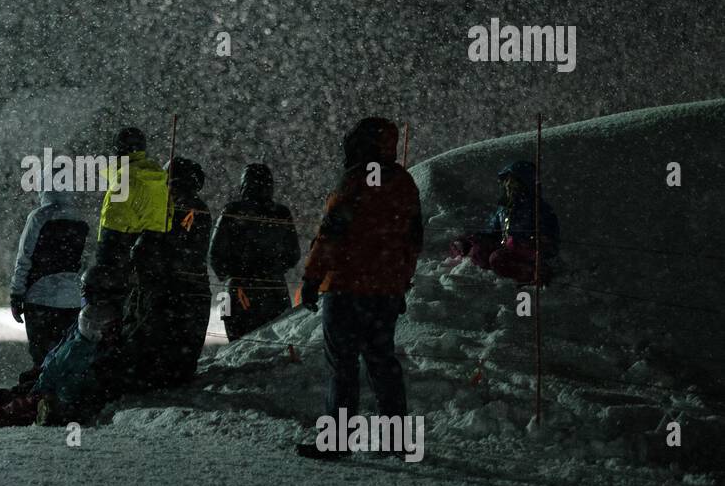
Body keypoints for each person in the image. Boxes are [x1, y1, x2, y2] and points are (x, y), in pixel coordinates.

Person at [298, 117, 422, 454]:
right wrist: (399, 284)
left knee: (343, 365)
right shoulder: (405, 183)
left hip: (346, 288)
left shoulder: (354, 181)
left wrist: (311, 278)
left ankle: (336, 442)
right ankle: (397, 440)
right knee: (382, 363)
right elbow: (413, 243)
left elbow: (331, 235)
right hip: (384, 293)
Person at [0, 266, 129, 428]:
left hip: (65, 386)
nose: (83, 295)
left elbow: (80, 364)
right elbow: (62, 352)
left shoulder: (102, 322)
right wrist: (43, 368)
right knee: (19, 393)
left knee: (27, 402)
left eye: (85, 291)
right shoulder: (86, 317)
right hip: (55, 378)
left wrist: (54, 379)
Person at [123, 157, 213, 387]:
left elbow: (168, 243)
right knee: (181, 348)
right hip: (190, 287)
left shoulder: (181, 208)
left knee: (161, 342)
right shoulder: (190, 207)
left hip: (171, 287)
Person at [208, 163, 301, 340]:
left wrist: (233, 273)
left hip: (236, 289)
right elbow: (293, 254)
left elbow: (215, 254)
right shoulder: (281, 213)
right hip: (274, 289)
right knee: (277, 344)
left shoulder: (232, 210)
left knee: (237, 345)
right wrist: (272, 269)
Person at [9, 188, 88, 372]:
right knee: (64, 358)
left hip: (40, 298)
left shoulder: (39, 217)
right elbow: (85, 261)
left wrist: (16, 295)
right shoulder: (81, 219)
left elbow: (24, 259)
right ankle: (60, 396)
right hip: (72, 300)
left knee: (41, 361)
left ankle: (37, 397)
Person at [449, 160, 560, 284]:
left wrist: (528, 244)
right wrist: (470, 240)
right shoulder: (504, 209)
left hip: (528, 255)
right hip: (506, 249)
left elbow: (549, 240)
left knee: (498, 258)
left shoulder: (539, 208)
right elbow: (492, 231)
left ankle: (530, 274)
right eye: (506, 181)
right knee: (477, 250)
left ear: (524, 183)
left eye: (513, 181)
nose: (508, 185)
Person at [93, 126, 171, 274]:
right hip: (152, 266)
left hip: (122, 267)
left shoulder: (124, 180)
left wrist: (103, 265)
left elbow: (112, 227)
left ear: (117, 150)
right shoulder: (159, 181)